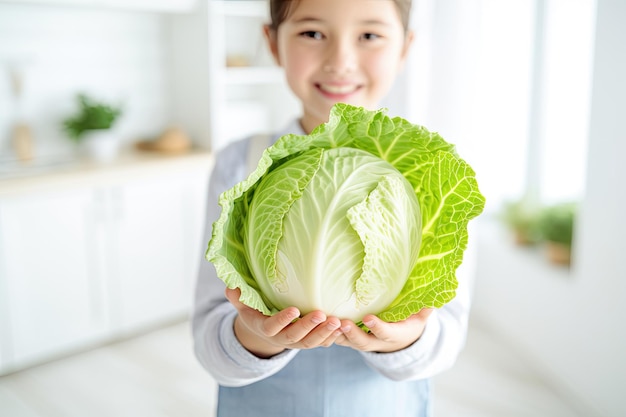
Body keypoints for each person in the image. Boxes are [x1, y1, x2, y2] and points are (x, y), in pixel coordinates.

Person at [193, 0, 474, 415]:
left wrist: (403, 342)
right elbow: (209, 345)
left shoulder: (431, 174)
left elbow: (446, 338)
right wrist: (262, 337)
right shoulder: (239, 162)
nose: (340, 61)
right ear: (272, 43)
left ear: (405, 47)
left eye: (370, 36)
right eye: (312, 33)